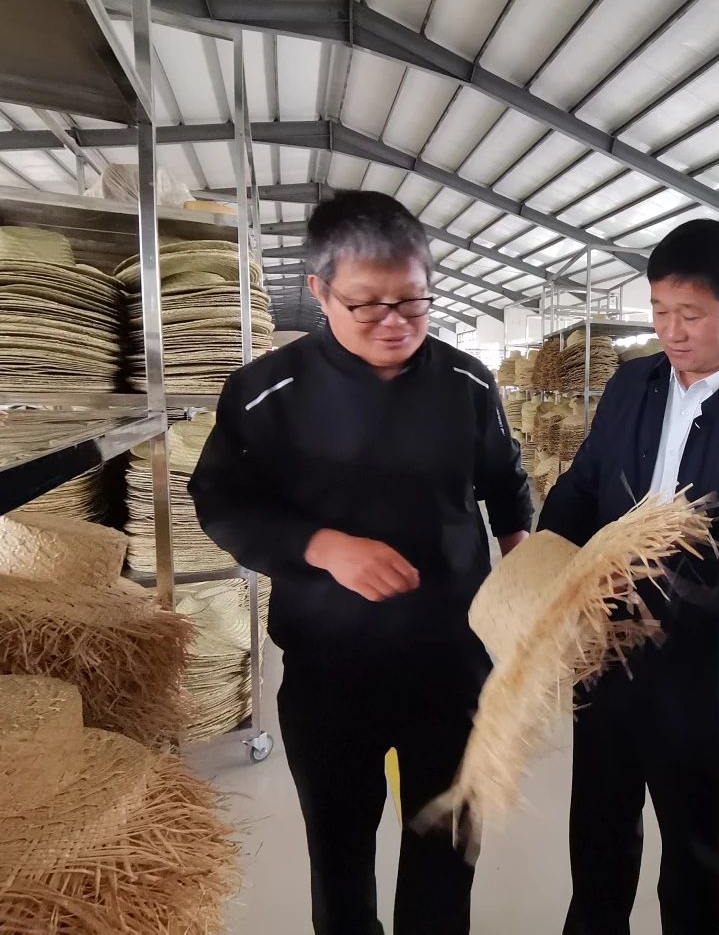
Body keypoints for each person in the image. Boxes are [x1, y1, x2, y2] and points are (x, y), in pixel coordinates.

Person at [189, 191, 532, 935]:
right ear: (320, 291)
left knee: (446, 851)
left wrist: (524, 563)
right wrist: (323, 547)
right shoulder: (266, 392)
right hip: (330, 672)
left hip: (452, 664)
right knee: (341, 857)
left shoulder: (468, 383)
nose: (394, 322)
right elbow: (220, 502)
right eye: (367, 304)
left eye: (412, 301)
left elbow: (505, 482)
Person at [538, 219, 719, 934]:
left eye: (689, 314)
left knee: (690, 847)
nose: (670, 331)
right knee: (598, 831)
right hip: (605, 652)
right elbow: (584, 483)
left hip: (696, 664)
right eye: (659, 311)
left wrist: (648, 573)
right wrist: (546, 554)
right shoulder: (633, 384)